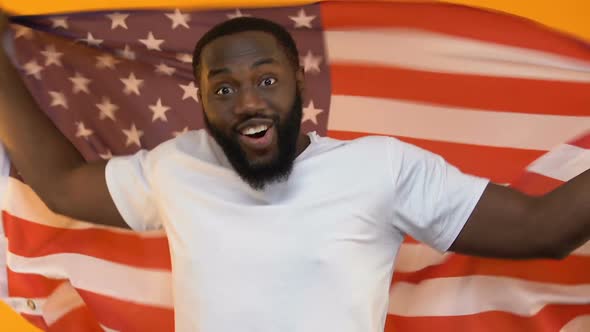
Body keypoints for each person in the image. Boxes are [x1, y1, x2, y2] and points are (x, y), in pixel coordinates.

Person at [0, 12, 588, 332]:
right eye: (224, 88)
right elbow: (59, 185)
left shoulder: (379, 166)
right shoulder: (176, 166)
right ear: (202, 103)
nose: (248, 101)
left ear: (298, 86)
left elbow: (544, 228)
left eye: (266, 80)